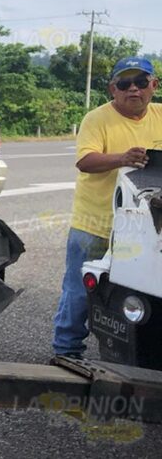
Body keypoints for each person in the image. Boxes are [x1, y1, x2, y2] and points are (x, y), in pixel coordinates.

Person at [53, 56, 162, 358]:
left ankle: (139, 352)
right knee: (79, 291)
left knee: (141, 290)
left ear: (154, 85)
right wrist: (123, 158)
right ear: (112, 89)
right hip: (95, 224)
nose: (133, 89)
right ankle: (66, 350)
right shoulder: (96, 119)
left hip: (146, 230)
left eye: (141, 82)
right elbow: (85, 161)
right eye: (124, 83)